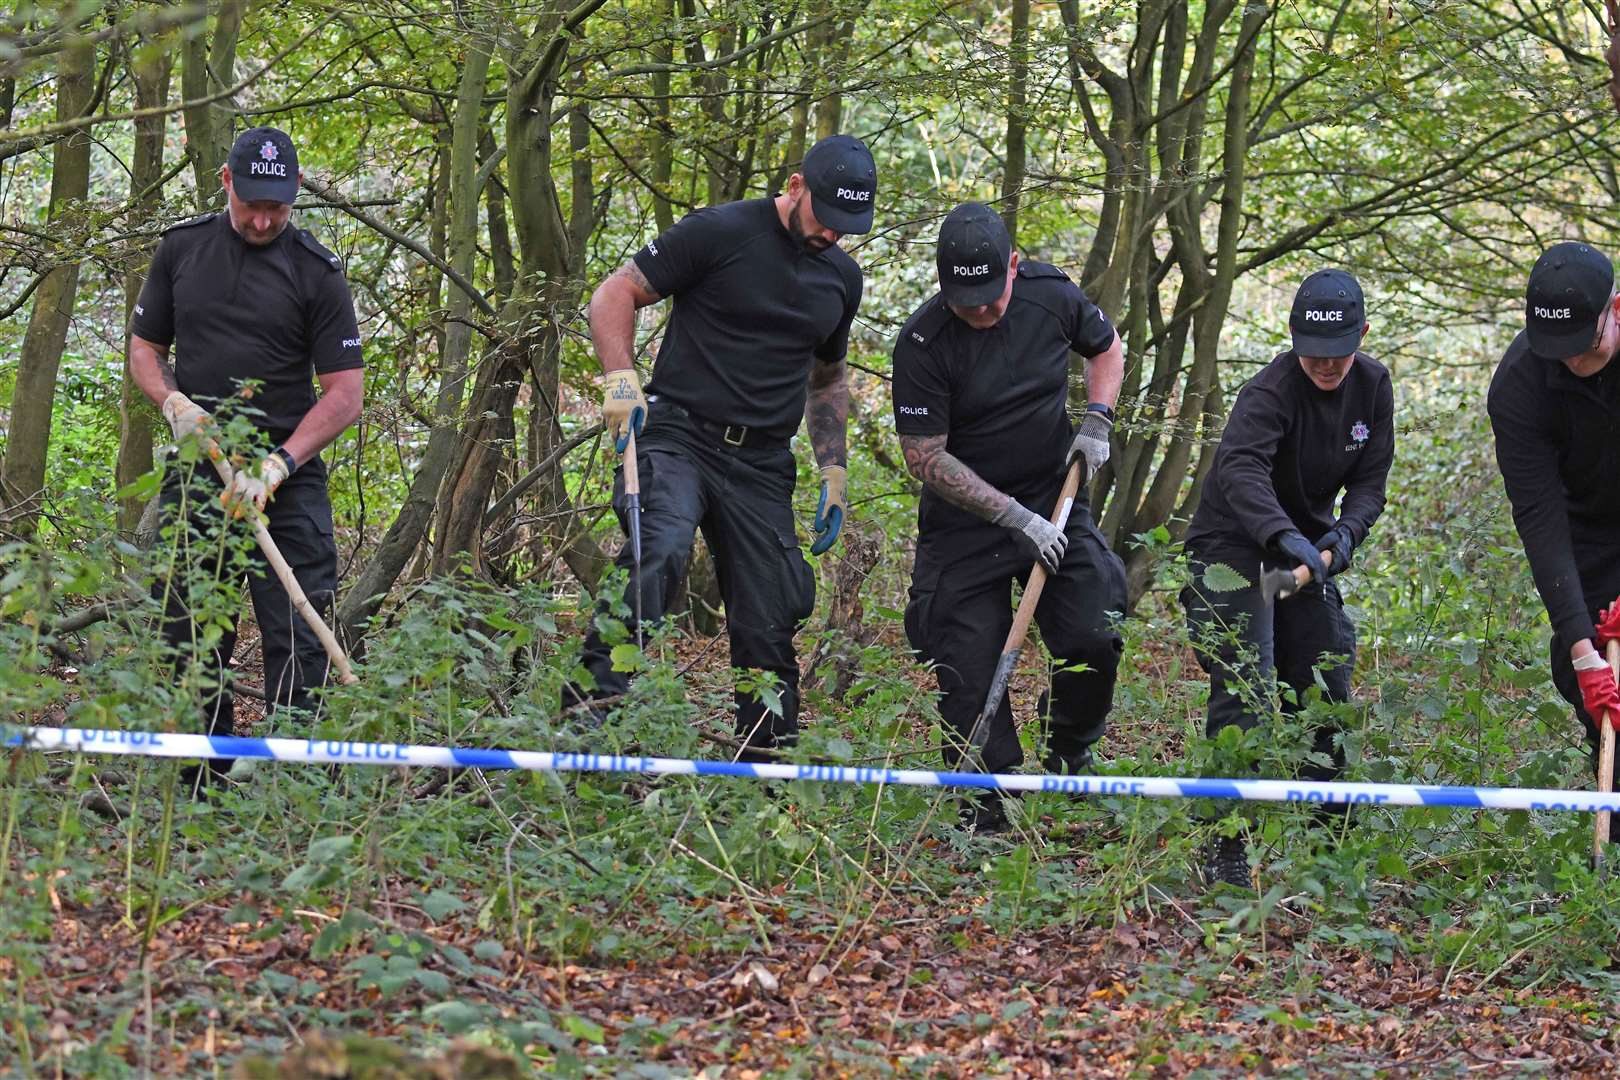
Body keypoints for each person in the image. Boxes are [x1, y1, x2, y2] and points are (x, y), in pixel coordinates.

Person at [562, 134, 874, 757]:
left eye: (846, 227)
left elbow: (827, 375)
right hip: (679, 434)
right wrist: (620, 380)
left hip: (761, 462)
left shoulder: (841, 278)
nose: (832, 236)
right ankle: (586, 726)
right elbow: (613, 294)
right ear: (794, 186)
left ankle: (764, 766)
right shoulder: (721, 231)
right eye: (825, 218)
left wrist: (833, 468)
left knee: (770, 611)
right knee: (661, 546)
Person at [128, 126, 364, 784]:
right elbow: (146, 348)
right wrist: (173, 402)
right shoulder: (182, 249)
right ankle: (202, 780)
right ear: (227, 182)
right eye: (252, 202)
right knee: (188, 623)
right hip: (200, 468)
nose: (263, 219)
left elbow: (345, 394)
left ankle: (286, 786)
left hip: (284, 474)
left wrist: (280, 464)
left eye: (278, 206)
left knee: (298, 626)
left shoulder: (316, 271)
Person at [891, 202, 1128, 830]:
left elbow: (1106, 349)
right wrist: (1016, 519)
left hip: (1057, 498)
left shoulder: (1051, 296)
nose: (981, 311)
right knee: (966, 670)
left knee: (1093, 629)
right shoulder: (922, 342)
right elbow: (925, 457)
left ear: (1014, 267)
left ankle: (1070, 750)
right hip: (966, 526)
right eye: (965, 301)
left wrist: (1098, 419)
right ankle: (985, 811)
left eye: (991, 296)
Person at [1180, 269, 1393, 886]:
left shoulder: (1374, 387)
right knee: (1246, 679)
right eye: (1314, 353)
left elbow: (1371, 483)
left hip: (1305, 555)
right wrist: (1286, 538)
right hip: (1235, 546)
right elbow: (1240, 471)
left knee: (1325, 673)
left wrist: (1345, 537)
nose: (1326, 366)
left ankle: (1328, 846)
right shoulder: (1267, 392)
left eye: (1339, 353)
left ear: (1363, 336)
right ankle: (1224, 848)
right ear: (1294, 337)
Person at [1487, 242, 1620, 839]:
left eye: (1585, 348)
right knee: (1591, 686)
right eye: (1557, 353)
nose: (1573, 364)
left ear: (1614, 309)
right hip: (1588, 533)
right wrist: (1581, 645)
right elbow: (1540, 517)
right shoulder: (1519, 384)